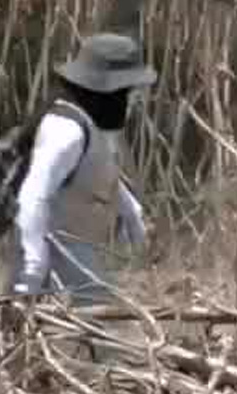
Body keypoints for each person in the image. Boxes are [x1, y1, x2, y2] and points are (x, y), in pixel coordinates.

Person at [10, 32, 154, 306]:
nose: (131, 100)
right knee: (101, 334)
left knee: (101, 332)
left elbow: (98, 173)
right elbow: (33, 196)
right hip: (52, 254)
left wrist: (133, 216)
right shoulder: (65, 131)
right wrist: (34, 265)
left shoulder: (91, 125)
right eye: (126, 91)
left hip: (76, 253)